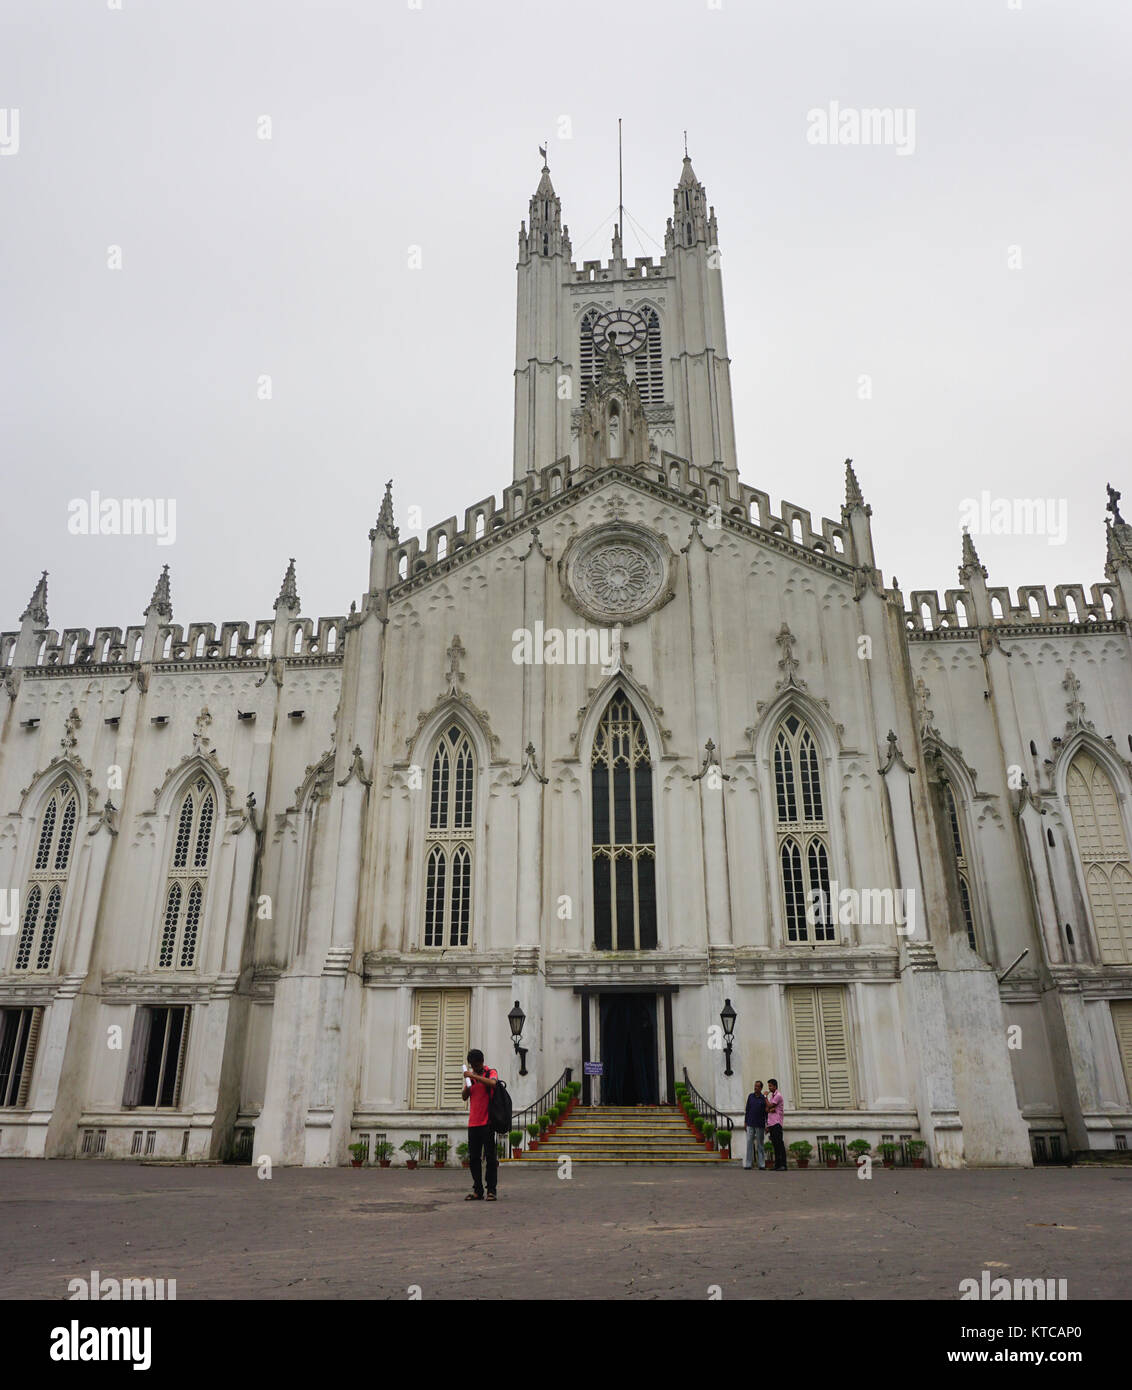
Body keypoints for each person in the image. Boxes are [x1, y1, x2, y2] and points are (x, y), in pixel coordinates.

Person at [463, 1048, 499, 1201]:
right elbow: (464, 1096)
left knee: (490, 1158)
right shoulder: (472, 1076)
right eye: (471, 1065)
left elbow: (493, 1083)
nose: (473, 1067)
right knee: (474, 1158)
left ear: (481, 1062)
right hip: (473, 1123)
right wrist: (468, 1082)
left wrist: (475, 1076)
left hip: (488, 1122)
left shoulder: (490, 1072)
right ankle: (478, 1189)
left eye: (475, 1065)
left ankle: (491, 1190)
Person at [743, 1081, 767, 1170]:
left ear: (761, 1088)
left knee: (760, 1144)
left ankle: (762, 1164)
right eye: (755, 1086)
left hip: (760, 1124)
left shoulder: (763, 1098)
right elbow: (747, 1110)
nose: (755, 1088)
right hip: (750, 1123)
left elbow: (766, 1113)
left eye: (757, 1086)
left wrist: (767, 1124)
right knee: (749, 1143)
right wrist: (745, 1122)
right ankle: (748, 1163)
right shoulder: (750, 1096)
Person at [765, 1078, 787, 1170]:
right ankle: (777, 1164)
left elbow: (770, 1106)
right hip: (772, 1123)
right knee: (775, 1145)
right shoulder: (772, 1096)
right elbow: (767, 1109)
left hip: (777, 1123)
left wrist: (765, 1097)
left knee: (779, 1144)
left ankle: (783, 1165)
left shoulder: (778, 1095)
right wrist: (770, 1109)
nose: (769, 1088)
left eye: (770, 1086)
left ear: (774, 1086)